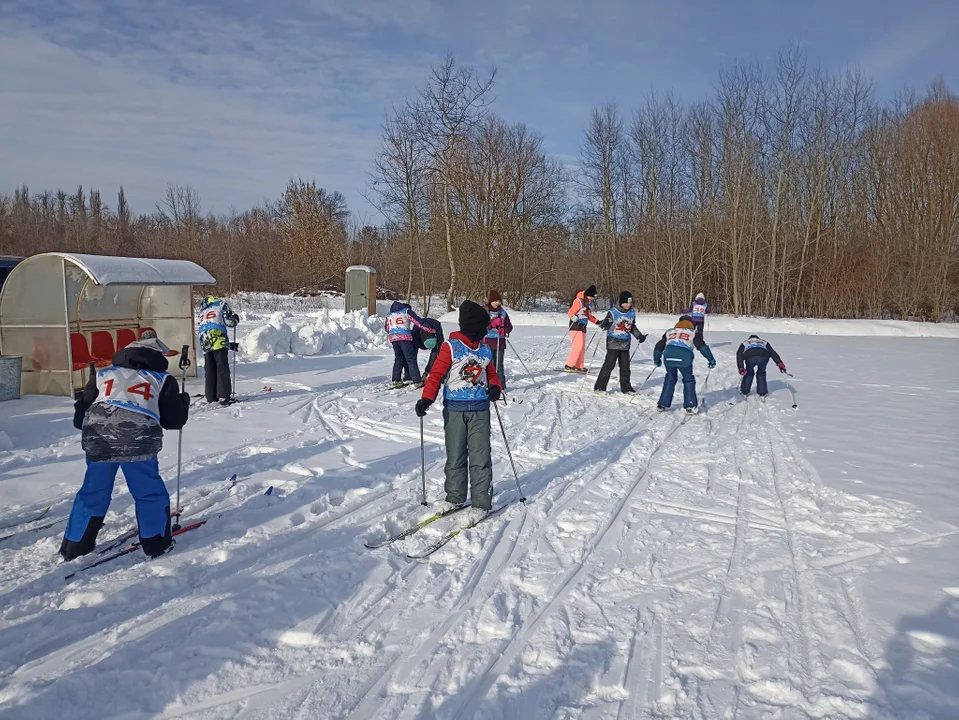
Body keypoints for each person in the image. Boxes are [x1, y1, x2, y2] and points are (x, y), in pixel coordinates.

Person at [60, 333, 190, 561]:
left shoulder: (104, 374)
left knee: (93, 490)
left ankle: (75, 546)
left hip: (98, 436)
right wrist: (183, 403)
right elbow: (174, 421)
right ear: (157, 356)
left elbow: (80, 415)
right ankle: (156, 542)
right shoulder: (161, 378)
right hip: (138, 438)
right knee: (148, 491)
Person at [415, 300, 503, 525]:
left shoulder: (484, 349)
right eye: (482, 327)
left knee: (480, 456)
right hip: (455, 409)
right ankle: (455, 497)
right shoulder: (451, 346)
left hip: (480, 410)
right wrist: (427, 399)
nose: (486, 330)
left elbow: (492, 374)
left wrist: (495, 387)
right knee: (455, 455)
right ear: (473, 326)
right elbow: (436, 375)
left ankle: (481, 502)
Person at [652, 315, 716, 412]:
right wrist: (711, 359)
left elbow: (658, 347)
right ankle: (690, 405)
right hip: (685, 358)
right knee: (688, 379)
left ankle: (662, 404)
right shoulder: (693, 332)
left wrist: (657, 360)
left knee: (670, 378)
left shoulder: (669, 331)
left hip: (668, 357)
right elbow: (702, 347)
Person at [594, 291, 647, 394]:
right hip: (613, 342)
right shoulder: (613, 312)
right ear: (621, 302)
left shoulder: (631, 313)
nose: (628, 305)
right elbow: (605, 324)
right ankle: (600, 387)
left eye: (630, 303)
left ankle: (626, 388)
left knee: (625, 367)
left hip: (625, 344)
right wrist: (606, 324)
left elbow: (632, 327)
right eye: (626, 302)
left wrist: (639, 336)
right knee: (609, 365)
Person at [197, 295, 239, 407]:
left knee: (210, 369)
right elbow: (229, 321)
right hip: (218, 338)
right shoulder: (221, 304)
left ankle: (211, 396)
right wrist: (235, 319)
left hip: (204, 339)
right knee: (222, 368)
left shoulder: (203, 311)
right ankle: (224, 396)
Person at [386, 300, 436, 389]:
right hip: (405, 338)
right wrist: (430, 330)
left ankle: (396, 380)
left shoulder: (390, 314)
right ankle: (417, 381)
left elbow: (387, 327)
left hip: (393, 338)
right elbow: (418, 322)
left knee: (398, 359)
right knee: (411, 359)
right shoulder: (406, 311)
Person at [565, 285, 599, 372]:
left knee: (582, 347)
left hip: (583, 327)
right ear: (586, 295)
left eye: (592, 298)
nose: (591, 299)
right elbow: (570, 312)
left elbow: (588, 316)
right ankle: (570, 364)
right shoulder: (579, 301)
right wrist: (573, 317)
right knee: (578, 345)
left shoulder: (589, 304)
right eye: (590, 297)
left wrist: (597, 321)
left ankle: (579, 365)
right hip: (576, 325)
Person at [484, 290, 513, 389]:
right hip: (488, 341)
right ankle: (489, 384)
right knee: (490, 364)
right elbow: (481, 327)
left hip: (500, 342)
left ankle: (501, 385)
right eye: (494, 301)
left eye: (498, 301)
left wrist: (505, 330)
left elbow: (509, 326)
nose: (497, 303)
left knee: (499, 365)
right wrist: (491, 324)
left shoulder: (503, 313)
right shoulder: (485, 312)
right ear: (490, 301)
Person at [407, 316, 445, 381]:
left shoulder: (437, 335)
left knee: (439, 353)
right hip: (419, 328)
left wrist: (426, 373)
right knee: (411, 356)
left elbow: (436, 355)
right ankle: (408, 375)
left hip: (435, 326)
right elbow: (412, 358)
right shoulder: (416, 335)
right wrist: (415, 376)